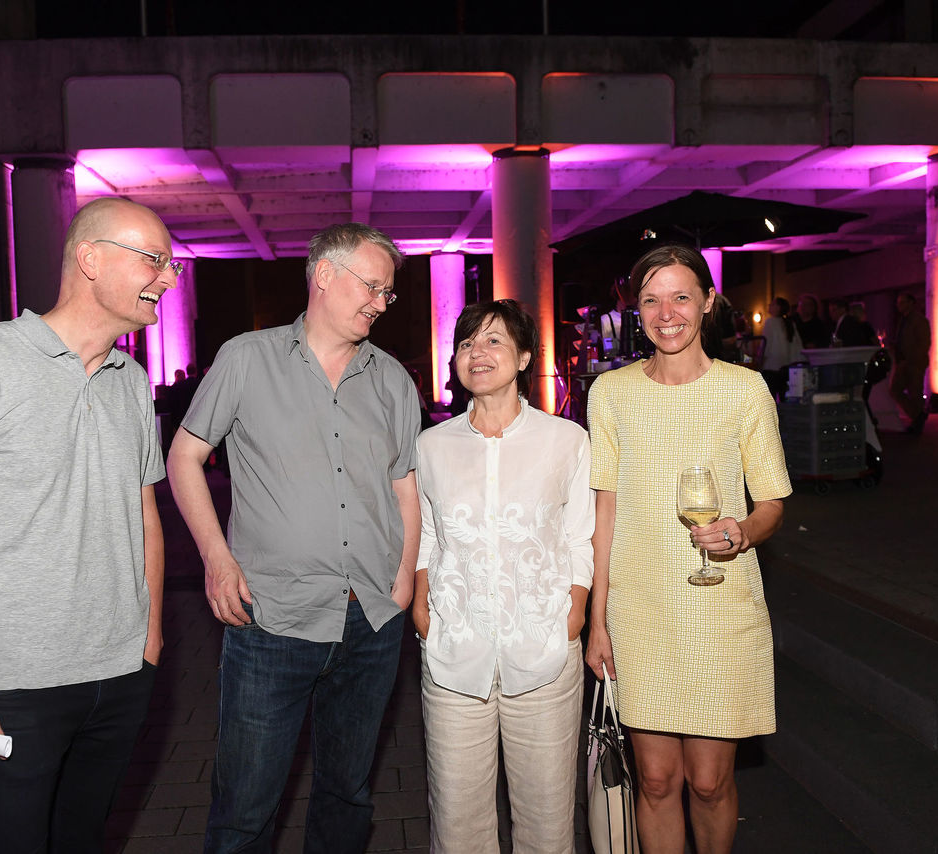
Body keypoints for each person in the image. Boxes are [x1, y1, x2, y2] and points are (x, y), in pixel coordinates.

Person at [0, 197, 175, 852]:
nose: (168, 278)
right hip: (8, 687)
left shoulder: (132, 381)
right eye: (154, 261)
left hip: (117, 681)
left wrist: (150, 641)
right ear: (90, 259)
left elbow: (145, 516)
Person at [167, 222, 421, 853]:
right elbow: (184, 457)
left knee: (347, 796)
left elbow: (405, 490)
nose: (379, 303)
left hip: (370, 620)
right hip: (271, 619)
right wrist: (216, 560)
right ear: (324, 275)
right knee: (246, 807)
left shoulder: (392, 379)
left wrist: (404, 580)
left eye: (388, 294)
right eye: (372, 286)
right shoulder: (246, 359)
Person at [585, 243, 790, 854]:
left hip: (721, 606)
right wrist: (597, 621)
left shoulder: (745, 390)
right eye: (650, 299)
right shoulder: (612, 393)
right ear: (635, 312)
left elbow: (773, 502)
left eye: (680, 296)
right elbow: (605, 508)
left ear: (707, 302)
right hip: (641, 604)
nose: (666, 312)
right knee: (654, 778)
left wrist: (743, 532)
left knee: (707, 782)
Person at [413, 300, 593, 854]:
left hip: (542, 648)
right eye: (467, 343)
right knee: (458, 821)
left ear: (522, 357)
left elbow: (579, 536)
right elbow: (424, 534)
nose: (477, 352)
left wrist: (574, 615)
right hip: (453, 651)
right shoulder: (432, 446)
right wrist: (423, 610)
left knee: (547, 819)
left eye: (493, 341)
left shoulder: (565, 440)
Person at [889, 292, 931, 434]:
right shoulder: (904, 320)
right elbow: (904, 341)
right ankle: (917, 416)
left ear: (911, 303)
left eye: (902, 302)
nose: (899, 306)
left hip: (913, 363)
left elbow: (924, 343)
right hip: (904, 362)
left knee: (914, 392)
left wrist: (911, 360)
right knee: (896, 390)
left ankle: (917, 420)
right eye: (898, 303)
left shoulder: (918, 320)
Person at [760, 296, 801, 400]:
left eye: (772, 304)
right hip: (786, 366)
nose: (769, 306)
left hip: (772, 365)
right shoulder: (789, 323)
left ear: (778, 307)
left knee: (771, 397)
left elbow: (766, 344)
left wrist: (761, 358)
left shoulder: (770, 322)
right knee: (783, 396)